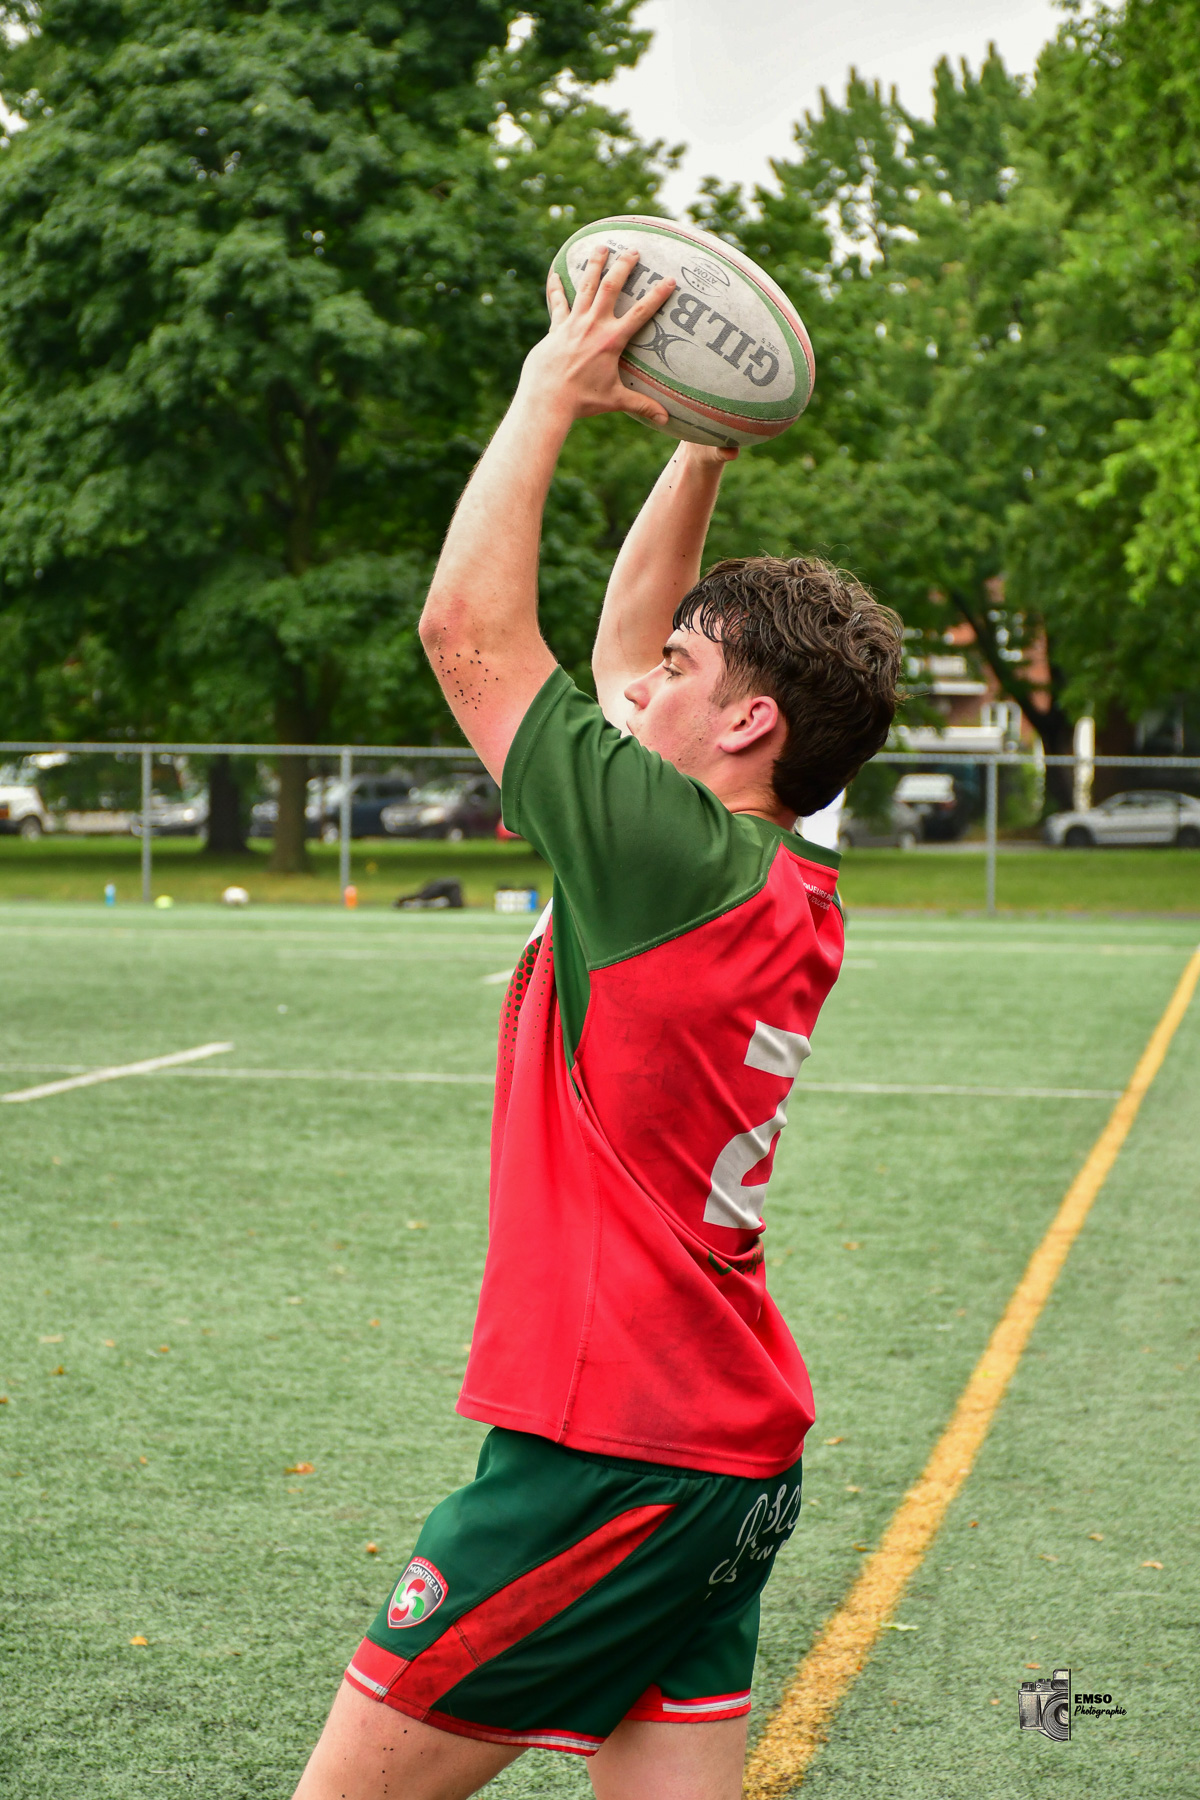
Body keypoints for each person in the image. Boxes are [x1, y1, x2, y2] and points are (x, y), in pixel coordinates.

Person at [294, 245, 902, 1800]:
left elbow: (468, 633)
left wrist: (548, 391)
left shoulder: (661, 858)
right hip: (726, 1450)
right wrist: (702, 442)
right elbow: (634, 643)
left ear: (749, 722)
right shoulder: (781, 868)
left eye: (683, 676)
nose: (641, 687)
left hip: (606, 1454)